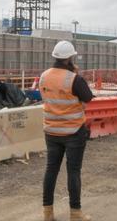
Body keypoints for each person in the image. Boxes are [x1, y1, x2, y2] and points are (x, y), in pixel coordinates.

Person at [38, 40, 94, 221]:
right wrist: (76, 74)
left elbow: (46, 98)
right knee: (73, 171)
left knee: (51, 170)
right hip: (73, 132)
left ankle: (48, 213)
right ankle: (75, 213)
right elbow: (88, 97)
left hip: (51, 131)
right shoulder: (73, 78)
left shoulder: (44, 76)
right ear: (70, 58)